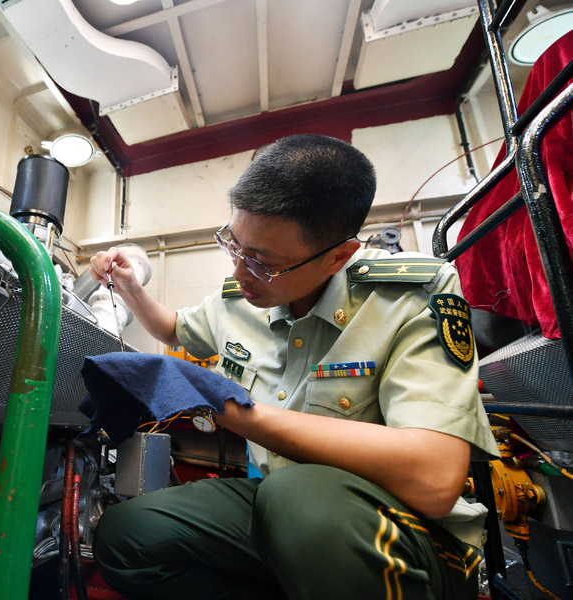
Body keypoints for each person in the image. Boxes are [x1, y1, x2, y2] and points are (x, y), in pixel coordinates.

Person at [87, 134, 499, 600]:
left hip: (405, 530)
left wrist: (227, 406)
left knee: (297, 496)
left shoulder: (410, 297)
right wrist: (130, 288)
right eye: (234, 245)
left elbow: (435, 480)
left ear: (338, 256)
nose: (240, 272)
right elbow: (173, 328)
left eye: (263, 262)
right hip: (282, 507)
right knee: (125, 535)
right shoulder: (241, 297)